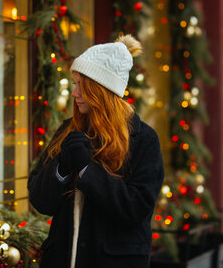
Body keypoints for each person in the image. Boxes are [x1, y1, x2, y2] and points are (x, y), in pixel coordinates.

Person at [28, 35, 165, 268]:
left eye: (83, 85)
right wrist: (61, 168)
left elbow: (135, 208)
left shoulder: (143, 140)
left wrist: (87, 171)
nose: (75, 93)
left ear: (101, 90)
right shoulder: (67, 131)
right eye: (75, 84)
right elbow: (40, 200)